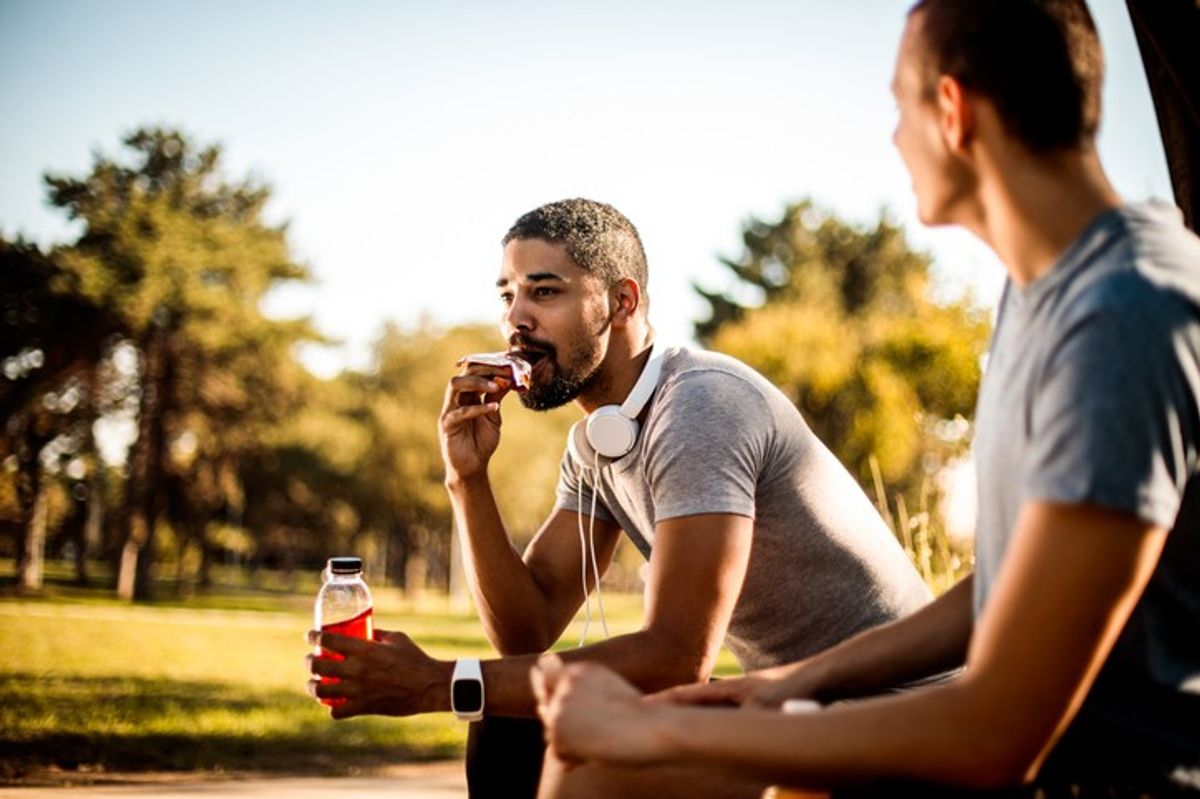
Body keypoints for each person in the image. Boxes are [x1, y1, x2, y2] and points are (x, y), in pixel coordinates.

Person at [533, 2, 1200, 797]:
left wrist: (658, 725)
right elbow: (1001, 587)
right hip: (1014, 750)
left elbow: (997, 733)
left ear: (952, 111)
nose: (892, 137)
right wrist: (781, 686)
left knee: (608, 768)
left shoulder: (1125, 311)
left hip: (1093, 778)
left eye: (899, 104)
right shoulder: (1042, 296)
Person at [306, 197, 934, 799]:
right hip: (797, 709)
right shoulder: (596, 445)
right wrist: (466, 481)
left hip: (894, 724)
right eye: (508, 295)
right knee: (516, 722)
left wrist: (442, 683)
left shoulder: (698, 406)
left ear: (622, 300)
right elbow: (527, 632)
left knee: (513, 719)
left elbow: (674, 657)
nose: (516, 319)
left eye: (544, 292)